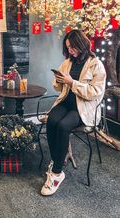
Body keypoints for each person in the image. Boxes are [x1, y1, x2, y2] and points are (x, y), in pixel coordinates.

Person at [40, 29, 106, 196]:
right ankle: (57, 159)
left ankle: (56, 174)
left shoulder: (95, 64)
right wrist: (59, 80)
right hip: (66, 102)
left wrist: (72, 82)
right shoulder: (67, 62)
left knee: (63, 126)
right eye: (68, 47)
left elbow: (95, 92)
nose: (70, 51)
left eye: (73, 47)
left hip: (83, 107)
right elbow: (58, 87)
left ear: (82, 45)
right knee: (52, 120)